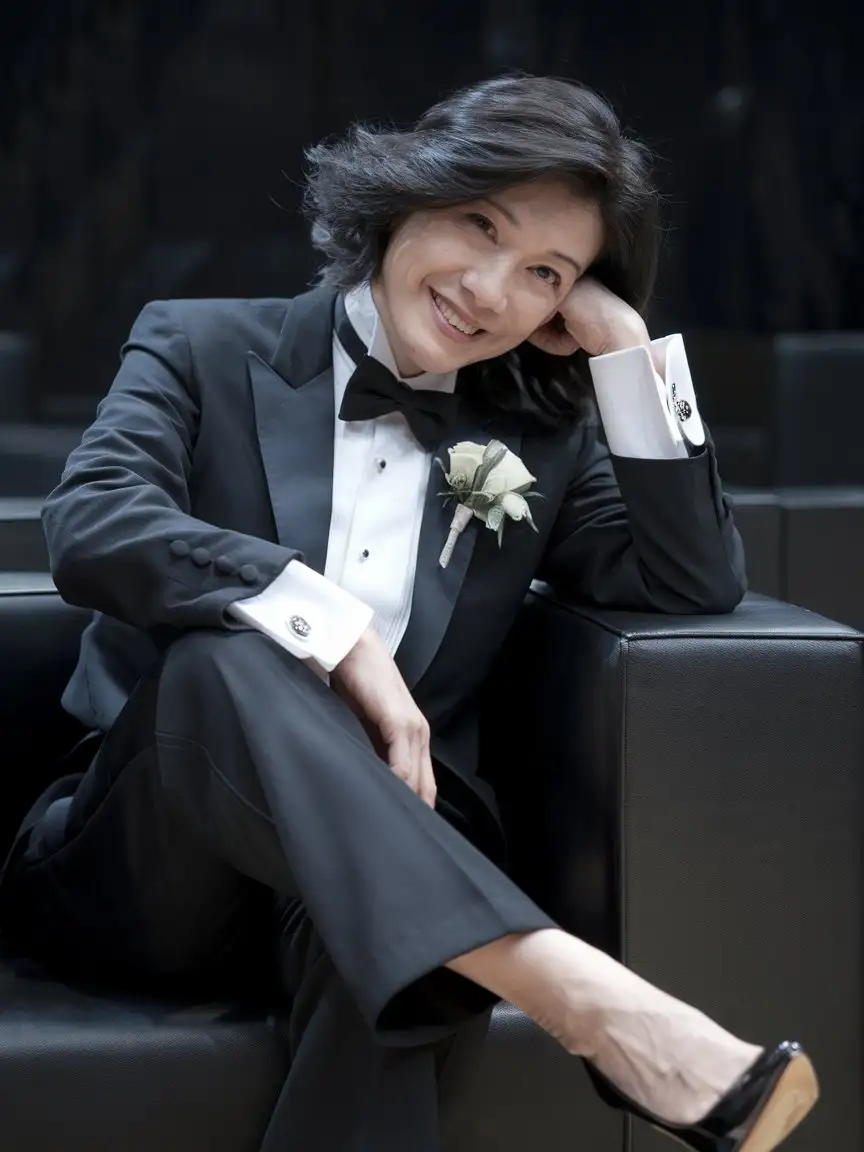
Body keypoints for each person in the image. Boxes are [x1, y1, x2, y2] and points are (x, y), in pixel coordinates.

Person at [0, 74, 818, 1152]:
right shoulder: (200, 344)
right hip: (151, 864)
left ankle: (512, 959)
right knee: (226, 661)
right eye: (479, 224)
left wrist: (629, 353)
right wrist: (329, 628)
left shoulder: (540, 433)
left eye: (545, 273)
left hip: (381, 873)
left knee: (387, 949)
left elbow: (692, 582)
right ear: (403, 196)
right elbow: (94, 520)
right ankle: (590, 1000)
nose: (488, 289)